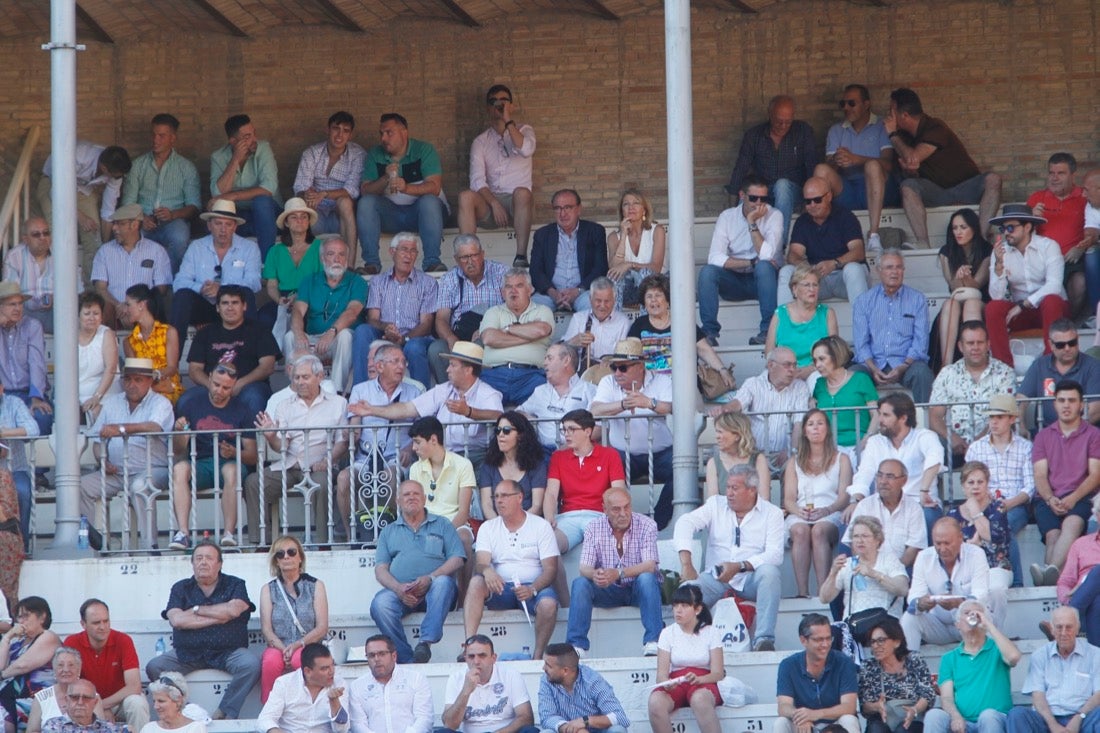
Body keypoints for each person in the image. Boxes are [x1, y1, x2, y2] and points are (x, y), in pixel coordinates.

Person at [145, 541, 260, 721]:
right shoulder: (180, 588)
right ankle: (187, 710)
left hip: (228, 652)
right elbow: (176, 620)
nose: (203, 562)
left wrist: (196, 610)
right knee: (155, 667)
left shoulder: (235, 584)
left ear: (219, 564)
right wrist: (220, 616)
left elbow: (233, 611)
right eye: (198, 558)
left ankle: (225, 712)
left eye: (209, 558)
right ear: (192, 563)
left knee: (251, 664)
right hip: (187, 653)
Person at [674, 464, 784, 651]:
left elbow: (775, 555)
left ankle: (763, 639)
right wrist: (687, 563)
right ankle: (681, 643)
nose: (729, 493)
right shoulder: (716, 504)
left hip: (750, 579)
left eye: (735, 488)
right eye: (728, 487)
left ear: (752, 490)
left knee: (770, 573)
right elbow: (685, 522)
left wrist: (740, 566)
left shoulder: (772, 513)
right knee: (686, 590)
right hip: (716, 579)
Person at [245, 354, 348, 546]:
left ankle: (323, 543)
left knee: (322, 485)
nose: (300, 382)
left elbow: (342, 443)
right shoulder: (285, 406)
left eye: (305, 377)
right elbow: (281, 446)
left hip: (320, 465)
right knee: (253, 482)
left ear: (319, 377)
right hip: (290, 464)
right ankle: (260, 543)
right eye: (297, 377)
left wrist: (327, 461)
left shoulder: (338, 403)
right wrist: (270, 437)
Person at [351, 342, 503, 466]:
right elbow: (406, 409)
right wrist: (372, 410)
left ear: (468, 370)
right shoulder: (443, 390)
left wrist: (469, 412)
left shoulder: (488, 394)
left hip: (474, 458)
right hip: (443, 457)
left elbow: (499, 417)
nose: (447, 369)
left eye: (452, 365)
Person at [884, 88, 1001, 248]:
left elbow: (913, 158)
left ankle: (980, 239)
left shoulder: (935, 127)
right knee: (907, 187)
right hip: (938, 192)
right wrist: (911, 172)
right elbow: (911, 166)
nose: (888, 116)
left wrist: (892, 135)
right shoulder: (903, 137)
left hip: (964, 187)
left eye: (891, 111)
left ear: (904, 115)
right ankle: (923, 243)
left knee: (993, 179)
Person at [78, 358, 173, 550]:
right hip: (116, 472)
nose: (132, 385)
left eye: (138, 380)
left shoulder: (161, 403)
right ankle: (90, 542)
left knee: (139, 487)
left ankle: (150, 547)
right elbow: (97, 441)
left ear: (150, 381)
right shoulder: (112, 403)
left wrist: (120, 428)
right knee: (80, 486)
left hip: (151, 470)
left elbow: (154, 427)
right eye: (128, 379)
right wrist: (102, 460)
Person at [463, 480, 559, 661]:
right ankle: (469, 645)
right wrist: (487, 571)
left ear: (520, 498)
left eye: (505, 496)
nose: (499, 501)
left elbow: (551, 569)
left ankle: (537, 657)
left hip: (534, 587)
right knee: (477, 581)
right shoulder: (488, 527)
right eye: (496, 496)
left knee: (548, 605)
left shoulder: (540, 526)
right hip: (501, 587)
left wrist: (533, 589)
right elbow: (481, 563)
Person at [371, 480, 464, 665]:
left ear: (424, 499)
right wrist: (398, 589)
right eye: (406, 494)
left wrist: (431, 578)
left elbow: (458, 558)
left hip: (436, 591)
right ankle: (406, 658)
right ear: (398, 501)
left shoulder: (442, 524)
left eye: (416, 494)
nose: (411, 497)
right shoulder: (388, 531)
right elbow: (381, 570)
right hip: (402, 593)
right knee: (380, 604)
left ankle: (425, 643)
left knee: (443, 582)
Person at [338, 344, 422, 537]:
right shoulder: (360, 390)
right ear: (380, 366)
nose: (401, 366)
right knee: (343, 478)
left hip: (396, 458)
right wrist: (352, 432)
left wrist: (410, 449)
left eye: (403, 362)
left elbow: (421, 431)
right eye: (395, 362)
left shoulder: (414, 392)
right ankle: (353, 535)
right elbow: (355, 420)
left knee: (390, 474)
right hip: (365, 459)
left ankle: (387, 533)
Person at [566, 486, 661, 658]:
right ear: (605, 510)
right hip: (607, 589)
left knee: (647, 578)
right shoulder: (594, 527)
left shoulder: (647, 525)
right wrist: (595, 574)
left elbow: (650, 565)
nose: (623, 513)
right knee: (580, 583)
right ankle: (576, 646)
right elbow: (584, 568)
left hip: (636, 589)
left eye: (627, 507)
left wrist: (618, 573)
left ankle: (653, 641)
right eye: (617, 509)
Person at [590, 338, 675, 528]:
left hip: (661, 452)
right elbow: (594, 410)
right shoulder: (608, 382)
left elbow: (672, 407)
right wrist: (622, 404)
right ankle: (614, 523)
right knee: (602, 473)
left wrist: (648, 403)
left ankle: (656, 522)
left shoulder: (662, 380)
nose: (617, 373)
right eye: (614, 367)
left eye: (623, 368)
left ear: (640, 366)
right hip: (623, 453)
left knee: (682, 472)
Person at [168, 200, 262, 358]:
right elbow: (179, 281)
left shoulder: (249, 248)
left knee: (247, 295)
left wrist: (223, 289)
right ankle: (172, 364)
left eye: (228, 224)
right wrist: (201, 288)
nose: (223, 230)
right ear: (209, 225)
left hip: (233, 307)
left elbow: (254, 282)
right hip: (204, 307)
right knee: (182, 296)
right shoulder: (197, 247)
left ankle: (250, 359)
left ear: (235, 226)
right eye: (218, 224)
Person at [357, 113, 448, 273]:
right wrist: (385, 177)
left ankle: (432, 263)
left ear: (404, 132)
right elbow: (365, 190)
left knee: (429, 201)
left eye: (389, 133)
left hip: (424, 216)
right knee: (366, 203)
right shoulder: (375, 154)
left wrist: (406, 188)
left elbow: (434, 187)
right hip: (392, 216)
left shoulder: (424, 150)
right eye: (381, 133)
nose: (383, 138)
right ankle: (371, 264)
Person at [1029, 380, 1100, 586]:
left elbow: (1095, 475)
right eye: (1061, 400)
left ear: (1081, 404)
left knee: (1071, 525)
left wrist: (1073, 498)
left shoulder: (1094, 435)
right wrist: (1050, 498)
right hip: (1048, 498)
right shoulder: (1043, 437)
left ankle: (1046, 577)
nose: (1066, 405)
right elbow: (1040, 475)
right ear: (1055, 404)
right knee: (1053, 535)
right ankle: (1051, 576)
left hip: (1082, 496)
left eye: (1071, 400)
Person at [457, 84, 536, 267]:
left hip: (519, 204)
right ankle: (468, 256)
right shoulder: (480, 141)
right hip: (491, 205)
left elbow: (526, 149)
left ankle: (521, 257)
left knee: (522, 193)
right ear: (488, 108)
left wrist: (508, 120)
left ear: (512, 106)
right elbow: (477, 181)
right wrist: (494, 203)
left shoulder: (524, 130)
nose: (498, 105)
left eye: (503, 101)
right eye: (493, 102)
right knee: (465, 196)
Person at [698, 175, 782, 345]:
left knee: (764, 267)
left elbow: (766, 256)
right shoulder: (727, 217)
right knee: (707, 272)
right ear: (742, 196)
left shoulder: (774, 215)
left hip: (763, 283)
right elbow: (714, 257)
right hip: (734, 281)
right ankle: (709, 333)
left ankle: (767, 331)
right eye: (753, 198)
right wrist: (750, 262)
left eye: (763, 198)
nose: (759, 203)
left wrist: (752, 223)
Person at [814, 84, 898, 252]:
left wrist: (856, 159)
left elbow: (889, 164)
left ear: (866, 104)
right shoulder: (836, 130)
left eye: (851, 103)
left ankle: (874, 235)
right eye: (843, 104)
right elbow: (828, 169)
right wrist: (838, 160)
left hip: (878, 190)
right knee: (820, 170)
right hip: (848, 192)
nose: (846, 108)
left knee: (873, 166)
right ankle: (819, 232)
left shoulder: (882, 125)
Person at [847, 393, 946, 534]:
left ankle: (926, 557)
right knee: (847, 520)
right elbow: (865, 473)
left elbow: (935, 459)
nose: (880, 420)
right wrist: (856, 500)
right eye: (879, 414)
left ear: (903, 418)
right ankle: (852, 558)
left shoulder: (924, 436)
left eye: (886, 415)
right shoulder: (875, 442)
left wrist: (924, 491)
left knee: (928, 516)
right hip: (883, 506)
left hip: (920, 502)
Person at [986, 203, 1070, 366]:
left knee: (1051, 300)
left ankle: (1050, 363)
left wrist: (1024, 304)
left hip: (1053, 309)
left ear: (1028, 227)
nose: (1006, 234)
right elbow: (996, 296)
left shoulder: (1048, 246)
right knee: (992, 308)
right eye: (1003, 230)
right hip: (1021, 313)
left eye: (1010, 228)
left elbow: (1054, 285)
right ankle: (1003, 368)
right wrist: (999, 266)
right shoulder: (1000, 252)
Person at [350, 232, 437, 387]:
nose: (408, 256)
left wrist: (403, 339)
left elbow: (426, 324)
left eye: (413, 251)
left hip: (415, 337)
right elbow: (373, 318)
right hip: (384, 333)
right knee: (363, 330)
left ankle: (422, 402)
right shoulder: (378, 281)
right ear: (392, 252)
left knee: (414, 347)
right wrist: (387, 328)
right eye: (404, 249)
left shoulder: (428, 283)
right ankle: (360, 391)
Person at [725, 95, 818, 240]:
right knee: (748, 194)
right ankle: (742, 246)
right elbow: (741, 168)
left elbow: (812, 165)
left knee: (782, 185)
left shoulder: (803, 131)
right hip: (764, 191)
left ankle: (778, 246)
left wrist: (811, 200)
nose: (783, 126)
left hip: (795, 191)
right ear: (770, 114)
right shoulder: (754, 136)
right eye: (779, 121)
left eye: (788, 122)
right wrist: (732, 205)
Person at [901, 518, 1003, 649]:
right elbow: (914, 597)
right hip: (939, 626)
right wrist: (921, 603)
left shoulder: (976, 554)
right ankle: (911, 666)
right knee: (909, 618)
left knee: (983, 610)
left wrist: (959, 603)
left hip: (970, 623)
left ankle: (991, 654)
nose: (942, 549)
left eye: (947, 543)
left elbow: (980, 596)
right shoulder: (923, 557)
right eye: (938, 543)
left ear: (960, 538)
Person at [965, 394, 1034, 588]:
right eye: (991, 417)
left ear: (1012, 419)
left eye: (1000, 417)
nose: (993, 422)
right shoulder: (976, 448)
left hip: (1015, 506)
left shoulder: (1026, 447)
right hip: (983, 505)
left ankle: (1017, 582)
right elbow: (969, 482)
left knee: (1004, 525)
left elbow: (1029, 487)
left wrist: (1008, 504)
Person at [783, 409, 853, 597]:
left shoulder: (842, 459)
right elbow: (788, 499)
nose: (815, 428)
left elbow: (844, 497)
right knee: (800, 530)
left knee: (819, 531)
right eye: (811, 424)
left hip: (831, 511)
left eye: (820, 423)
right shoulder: (794, 462)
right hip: (801, 512)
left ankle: (824, 591)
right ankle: (802, 592)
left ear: (827, 429)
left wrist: (826, 510)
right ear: (804, 431)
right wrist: (798, 511)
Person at [36, 142, 130, 281]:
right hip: (52, 184)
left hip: (81, 190)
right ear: (104, 168)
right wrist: (81, 217)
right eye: (114, 175)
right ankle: (63, 285)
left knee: (94, 236)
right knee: (58, 229)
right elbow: (56, 194)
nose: (117, 178)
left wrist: (103, 244)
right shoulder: (78, 156)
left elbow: (108, 210)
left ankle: (91, 292)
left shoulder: (116, 174)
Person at [183, 284, 279, 419]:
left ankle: (251, 440)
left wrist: (240, 384)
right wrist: (213, 386)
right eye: (225, 303)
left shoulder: (259, 330)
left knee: (254, 396)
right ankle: (197, 441)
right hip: (211, 387)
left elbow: (268, 366)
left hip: (248, 386)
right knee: (185, 400)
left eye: (235, 303)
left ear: (244, 306)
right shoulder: (204, 333)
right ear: (217, 307)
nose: (229, 307)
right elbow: (194, 370)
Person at [921, 601, 1019, 733]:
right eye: (967, 613)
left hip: (995, 719)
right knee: (934, 716)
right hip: (963, 721)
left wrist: (988, 625)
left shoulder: (998, 649)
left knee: (988, 715)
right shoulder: (949, 658)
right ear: (957, 624)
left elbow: (1014, 657)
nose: (972, 617)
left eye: (978, 614)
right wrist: (956, 717)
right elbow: (947, 698)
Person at [285, 238, 366, 394]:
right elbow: (297, 310)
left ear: (347, 259)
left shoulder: (357, 281)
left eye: (342, 254)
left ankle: (335, 391)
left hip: (337, 340)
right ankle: (296, 390)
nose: (337, 259)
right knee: (290, 337)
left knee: (345, 336)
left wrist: (331, 332)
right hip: (313, 340)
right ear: (322, 258)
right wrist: (299, 333)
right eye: (331, 254)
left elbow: (352, 312)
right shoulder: (309, 280)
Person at [928, 320, 1016, 464]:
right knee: (932, 448)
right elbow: (935, 418)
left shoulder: (1005, 373)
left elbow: (1004, 414)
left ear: (988, 344)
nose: (975, 347)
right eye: (970, 343)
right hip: (954, 446)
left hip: (993, 442)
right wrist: (952, 438)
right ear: (961, 347)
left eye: (980, 342)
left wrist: (978, 443)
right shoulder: (947, 374)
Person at [120, 113, 200, 270]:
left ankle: (170, 284)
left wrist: (173, 214)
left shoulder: (186, 167)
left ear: (173, 138)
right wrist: (141, 218)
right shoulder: (138, 165)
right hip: (142, 221)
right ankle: (140, 284)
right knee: (130, 236)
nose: (156, 140)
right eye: (154, 134)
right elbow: (127, 203)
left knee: (179, 237)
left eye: (162, 136)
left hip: (174, 221)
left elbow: (195, 206)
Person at [852, 249, 933, 402]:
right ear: (878, 271)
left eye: (898, 267)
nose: (894, 272)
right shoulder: (863, 301)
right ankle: (860, 426)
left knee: (922, 373)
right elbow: (861, 343)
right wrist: (873, 368)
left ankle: (923, 422)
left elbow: (920, 341)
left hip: (906, 363)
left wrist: (903, 366)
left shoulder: (917, 299)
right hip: (873, 364)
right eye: (889, 267)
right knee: (853, 375)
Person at [428, 233, 508, 385]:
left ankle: (480, 394)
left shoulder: (501, 273)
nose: (470, 262)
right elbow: (441, 319)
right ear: (456, 259)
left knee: (480, 345)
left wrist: (488, 329)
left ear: (482, 254)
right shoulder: (449, 279)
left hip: (491, 334)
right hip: (460, 336)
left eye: (474, 255)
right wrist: (451, 339)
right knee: (435, 349)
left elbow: (512, 310)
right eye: (464, 258)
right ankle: (450, 393)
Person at [544, 409, 627, 554]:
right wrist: (549, 518)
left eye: (572, 429)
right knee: (548, 546)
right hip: (567, 517)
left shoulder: (609, 455)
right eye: (565, 429)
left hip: (598, 516)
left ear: (588, 431)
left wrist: (614, 518)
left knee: (603, 548)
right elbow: (551, 493)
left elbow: (618, 491)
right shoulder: (558, 457)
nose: (566, 434)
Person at [627, 274, 732, 389]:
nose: (653, 300)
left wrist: (722, 370)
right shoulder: (639, 325)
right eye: (649, 296)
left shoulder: (683, 322)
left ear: (667, 300)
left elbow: (703, 349)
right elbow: (631, 355)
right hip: (651, 387)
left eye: (658, 295)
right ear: (644, 303)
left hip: (684, 387)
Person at [257, 536, 329, 703]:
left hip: (308, 644)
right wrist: (284, 650)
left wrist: (297, 645)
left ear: (300, 557)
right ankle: (269, 708)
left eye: (291, 552)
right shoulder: (268, 589)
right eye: (280, 554)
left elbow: (322, 627)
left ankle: (307, 705)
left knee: (300, 660)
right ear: (276, 561)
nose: (286, 557)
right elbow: (266, 629)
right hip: (278, 645)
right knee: (270, 662)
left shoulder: (316, 585)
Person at [778, 177, 868, 307]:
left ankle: (862, 325)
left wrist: (834, 263)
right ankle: (784, 325)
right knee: (787, 271)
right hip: (817, 279)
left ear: (829, 196)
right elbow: (793, 254)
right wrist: (807, 267)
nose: (812, 205)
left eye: (817, 200)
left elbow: (858, 252)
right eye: (808, 201)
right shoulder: (802, 221)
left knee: (853, 269)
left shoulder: (846, 217)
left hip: (844, 277)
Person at [406, 417, 477, 579]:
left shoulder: (463, 464)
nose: (413, 448)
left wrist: (444, 533)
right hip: (425, 524)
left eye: (417, 442)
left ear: (433, 440)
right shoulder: (415, 469)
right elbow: (416, 509)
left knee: (464, 538)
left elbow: (463, 512)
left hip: (456, 524)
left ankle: (463, 600)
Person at [1009, 607, 1100, 733]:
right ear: (1051, 629)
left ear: (1077, 629)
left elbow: (1098, 694)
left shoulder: (1095, 654)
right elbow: (1038, 696)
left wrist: (1079, 718)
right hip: (1047, 719)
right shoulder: (1040, 655)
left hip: (1084, 717)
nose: (1063, 632)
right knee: (1017, 714)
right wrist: (1053, 726)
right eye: (1059, 627)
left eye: (1069, 627)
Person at [648, 585, 724, 733]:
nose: (678, 610)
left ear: (697, 609)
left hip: (704, 680)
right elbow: (661, 674)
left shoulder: (711, 632)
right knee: (656, 702)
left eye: (684, 605)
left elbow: (718, 673)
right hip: (677, 681)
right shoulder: (667, 633)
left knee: (700, 699)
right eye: (675, 605)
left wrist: (699, 680)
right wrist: (666, 683)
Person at [710, 346, 808, 462]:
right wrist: (724, 409)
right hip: (754, 455)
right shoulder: (753, 383)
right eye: (787, 365)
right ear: (771, 365)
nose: (792, 369)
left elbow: (799, 424)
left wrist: (791, 451)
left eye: (794, 365)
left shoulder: (800, 387)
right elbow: (738, 403)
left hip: (785, 455)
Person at [62, 600, 148, 732]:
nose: (103, 626)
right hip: (86, 701)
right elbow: (68, 684)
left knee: (137, 703)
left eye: (106, 621)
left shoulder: (123, 640)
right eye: (96, 623)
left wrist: (102, 705)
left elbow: (134, 686)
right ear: (83, 624)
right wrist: (94, 705)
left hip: (119, 702)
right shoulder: (72, 642)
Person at [1027, 153, 1092, 318]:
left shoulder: (1085, 198)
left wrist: (1081, 248)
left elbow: (1095, 227)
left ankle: (1068, 322)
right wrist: (1030, 219)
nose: (1054, 178)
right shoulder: (1037, 198)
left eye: (1061, 173)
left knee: (1080, 282)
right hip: (1042, 262)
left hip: (1072, 260)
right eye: (1051, 173)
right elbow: (1019, 233)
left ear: (1073, 175)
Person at [209, 114, 282, 260]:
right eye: (247, 136)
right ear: (233, 141)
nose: (254, 139)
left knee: (261, 201)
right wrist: (235, 159)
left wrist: (233, 195)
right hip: (240, 215)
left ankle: (266, 262)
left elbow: (269, 188)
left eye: (254, 133)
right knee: (217, 209)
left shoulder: (263, 148)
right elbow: (217, 194)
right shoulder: (218, 157)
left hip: (269, 214)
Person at [477, 268, 554, 405]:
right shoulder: (493, 312)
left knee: (544, 406)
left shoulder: (543, 310)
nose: (513, 291)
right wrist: (528, 336)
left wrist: (507, 329)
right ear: (502, 292)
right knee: (477, 405)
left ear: (530, 290)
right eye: (508, 287)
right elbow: (489, 338)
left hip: (531, 377)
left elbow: (541, 330)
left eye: (519, 286)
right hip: (494, 375)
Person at [292, 111, 364, 258]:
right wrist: (307, 195)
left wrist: (324, 194)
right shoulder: (312, 153)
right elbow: (300, 187)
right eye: (336, 128)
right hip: (316, 213)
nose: (339, 135)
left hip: (341, 217)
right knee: (300, 205)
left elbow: (352, 190)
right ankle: (302, 264)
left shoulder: (358, 154)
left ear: (351, 135)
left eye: (345, 131)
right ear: (328, 130)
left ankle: (349, 264)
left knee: (345, 202)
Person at [774, 613, 859, 733]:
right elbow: (783, 706)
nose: (825, 644)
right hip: (803, 725)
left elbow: (849, 706)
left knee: (849, 720)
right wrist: (801, 717)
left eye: (828, 638)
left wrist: (815, 714)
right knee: (781, 723)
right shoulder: (788, 665)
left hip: (834, 723)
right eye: (819, 639)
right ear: (803, 640)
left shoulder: (844, 662)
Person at [91, 205, 172, 329]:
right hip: (114, 311)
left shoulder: (157, 251)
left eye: (120, 224)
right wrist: (120, 307)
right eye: (114, 223)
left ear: (134, 225)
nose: (114, 228)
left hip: (144, 310)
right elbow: (100, 288)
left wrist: (134, 308)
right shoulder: (104, 252)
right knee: (104, 308)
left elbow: (161, 289)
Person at [441, 634, 537, 733]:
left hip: (504, 732)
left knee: (530, 731)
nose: (476, 661)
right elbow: (449, 724)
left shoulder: (511, 675)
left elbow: (526, 718)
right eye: (471, 656)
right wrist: (465, 692)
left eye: (482, 655)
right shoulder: (456, 678)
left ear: (493, 658)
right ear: (465, 658)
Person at [530, 189, 607, 312]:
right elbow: (535, 270)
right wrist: (553, 293)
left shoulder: (595, 231)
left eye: (568, 207)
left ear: (579, 209)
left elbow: (600, 268)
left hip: (583, 292)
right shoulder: (542, 235)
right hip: (550, 294)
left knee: (591, 308)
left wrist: (577, 291)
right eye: (558, 208)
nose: (562, 213)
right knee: (533, 312)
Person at [934, 209, 993, 368]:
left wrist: (967, 278)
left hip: (981, 300)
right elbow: (952, 286)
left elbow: (978, 285)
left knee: (971, 303)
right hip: (957, 297)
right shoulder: (946, 251)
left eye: (963, 227)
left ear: (973, 228)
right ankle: (946, 366)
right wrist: (959, 278)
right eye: (955, 228)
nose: (958, 232)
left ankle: (975, 360)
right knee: (949, 304)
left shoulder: (987, 249)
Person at [843, 459, 927, 569]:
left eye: (890, 476)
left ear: (904, 480)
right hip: (868, 570)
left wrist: (894, 572)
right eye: (879, 475)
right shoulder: (864, 506)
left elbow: (914, 548)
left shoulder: (914, 508)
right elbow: (855, 545)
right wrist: (870, 571)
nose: (883, 481)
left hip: (901, 571)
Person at [821, 516, 909, 620]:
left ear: (877, 540)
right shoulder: (847, 564)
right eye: (856, 536)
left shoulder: (890, 560)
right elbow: (824, 599)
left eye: (865, 536)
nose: (860, 540)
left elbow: (903, 590)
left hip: (884, 624)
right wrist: (833, 573)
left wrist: (874, 574)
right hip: (855, 624)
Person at [857, 617, 936, 733]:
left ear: (896, 642)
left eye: (881, 640)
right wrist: (876, 706)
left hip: (913, 718)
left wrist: (915, 709)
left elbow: (928, 694)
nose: (875, 646)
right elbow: (864, 706)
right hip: (883, 720)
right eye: (873, 642)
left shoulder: (914, 659)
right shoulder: (868, 666)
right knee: (876, 729)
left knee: (903, 730)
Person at [518, 343, 596, 458]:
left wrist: (569, 446)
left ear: (566, 360)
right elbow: (517, 412)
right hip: (543, 452)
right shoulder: (539, 391)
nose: (544, 363)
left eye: (549, 358)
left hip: (577, 451)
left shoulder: (589, 390)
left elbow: (599, 427)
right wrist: (527, 418)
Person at [1020, 319, 1100, 430]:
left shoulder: (1094, 366)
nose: (1067, 348)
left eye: (1072, 343)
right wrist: (1021, 426)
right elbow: (1020, 399)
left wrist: (1068, 433)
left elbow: (1095, 411)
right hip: (1045, 435)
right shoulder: (1039, 365)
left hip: (1083, 434)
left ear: (1078, 340)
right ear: (1051, 344)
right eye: (1060, 345)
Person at [766, 265, 839, 384]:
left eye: (815, 285)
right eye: (807, 285)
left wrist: (811, 369)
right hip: (785, 371)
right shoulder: (780, 313)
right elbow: (769, 352)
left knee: (816, 380)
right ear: (794, 289)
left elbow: (835, 352)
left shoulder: (827, 313)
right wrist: (786, 370)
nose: (812, 289)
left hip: (817, 371)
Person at [347, 634, 433, 733]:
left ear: (394, 656)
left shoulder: (416, 679)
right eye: (371, 655)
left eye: (382, 654)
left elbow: (424, 719)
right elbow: (358, 724)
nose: (376, 659)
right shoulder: (357, 686)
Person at [256, 642, 348, 733]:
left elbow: (342, 730)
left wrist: (334, 702)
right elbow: (265, 720)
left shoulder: (339, 684)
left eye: (333, 665)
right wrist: (275, 731)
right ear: (307, 671)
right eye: (325, 668)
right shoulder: (285, 683)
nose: (332, 672)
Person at [811, 335, 878, 460]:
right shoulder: (819, 384)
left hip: (860, 445)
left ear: (836, 356)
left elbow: (876, 414)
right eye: (815, 360)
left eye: (822, 359)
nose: (817, 365)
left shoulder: (861, 379)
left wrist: (867, 439)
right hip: (829, 448)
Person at [946, 462, 1012, 588]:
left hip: (996, 569)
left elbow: (991, 536)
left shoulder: (998, 508)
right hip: (964, 570)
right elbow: (948, 548)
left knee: (995, 587)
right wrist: (969, 548)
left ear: (987, 484)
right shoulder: (953, 514)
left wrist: (975, 511)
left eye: (980, 482)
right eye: (970, 482)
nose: (975, 486)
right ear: (963, 486)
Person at [0, 280, 52, 438]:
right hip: (3, 395)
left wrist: (36, 398)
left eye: (20, 303)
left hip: (28, 393)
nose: (17, 308)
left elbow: (36, 363)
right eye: (11, 304)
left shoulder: (32, 326)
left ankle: (38, 464)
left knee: (42, 418)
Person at [262, 198, 324, 331]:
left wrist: (300, 297)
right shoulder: (275, 251)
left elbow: (323, 281)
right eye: (294, 217)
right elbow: (272, 284)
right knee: (264, 318)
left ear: (308, 222)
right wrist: (280, 300)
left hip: (312, 296)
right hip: (284, 297)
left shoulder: (321, 248)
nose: (299, 220)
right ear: (286, 223)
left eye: (304, 217)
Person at [539, 643, 628, 733]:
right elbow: (547, 717)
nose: (543, 668)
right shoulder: (547, 680)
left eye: (548, 665)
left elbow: (620, 717)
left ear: (565, 671)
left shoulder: (592, 680)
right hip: (567, 732)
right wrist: (572, 729)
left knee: (618, 730)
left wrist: (585, 721)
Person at [0, 596, 61, 724]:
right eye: (19, 617)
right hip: (10, 697)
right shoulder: (16, 643)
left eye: (26, 616)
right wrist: (7, 637)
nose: (21, 621)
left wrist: (2, 676)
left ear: (42, 617)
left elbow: (23, 665)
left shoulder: (48, 636)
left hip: (35, 700)